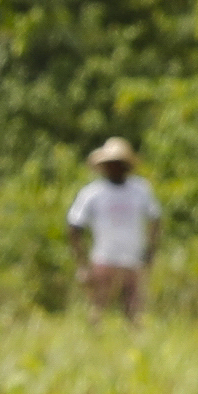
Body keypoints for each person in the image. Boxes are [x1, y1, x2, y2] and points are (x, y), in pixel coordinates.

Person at [67, 135, 159, 318]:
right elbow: (74, 225)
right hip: (104, 257)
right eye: (111, 163)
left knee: (134, 308)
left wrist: (150, 250)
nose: (115, 167)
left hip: (132, 258)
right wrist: (82, 263)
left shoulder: (140, 189)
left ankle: (136, 344)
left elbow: (155, 219)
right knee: (98, 306)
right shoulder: (92, 193)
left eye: (119, 163)